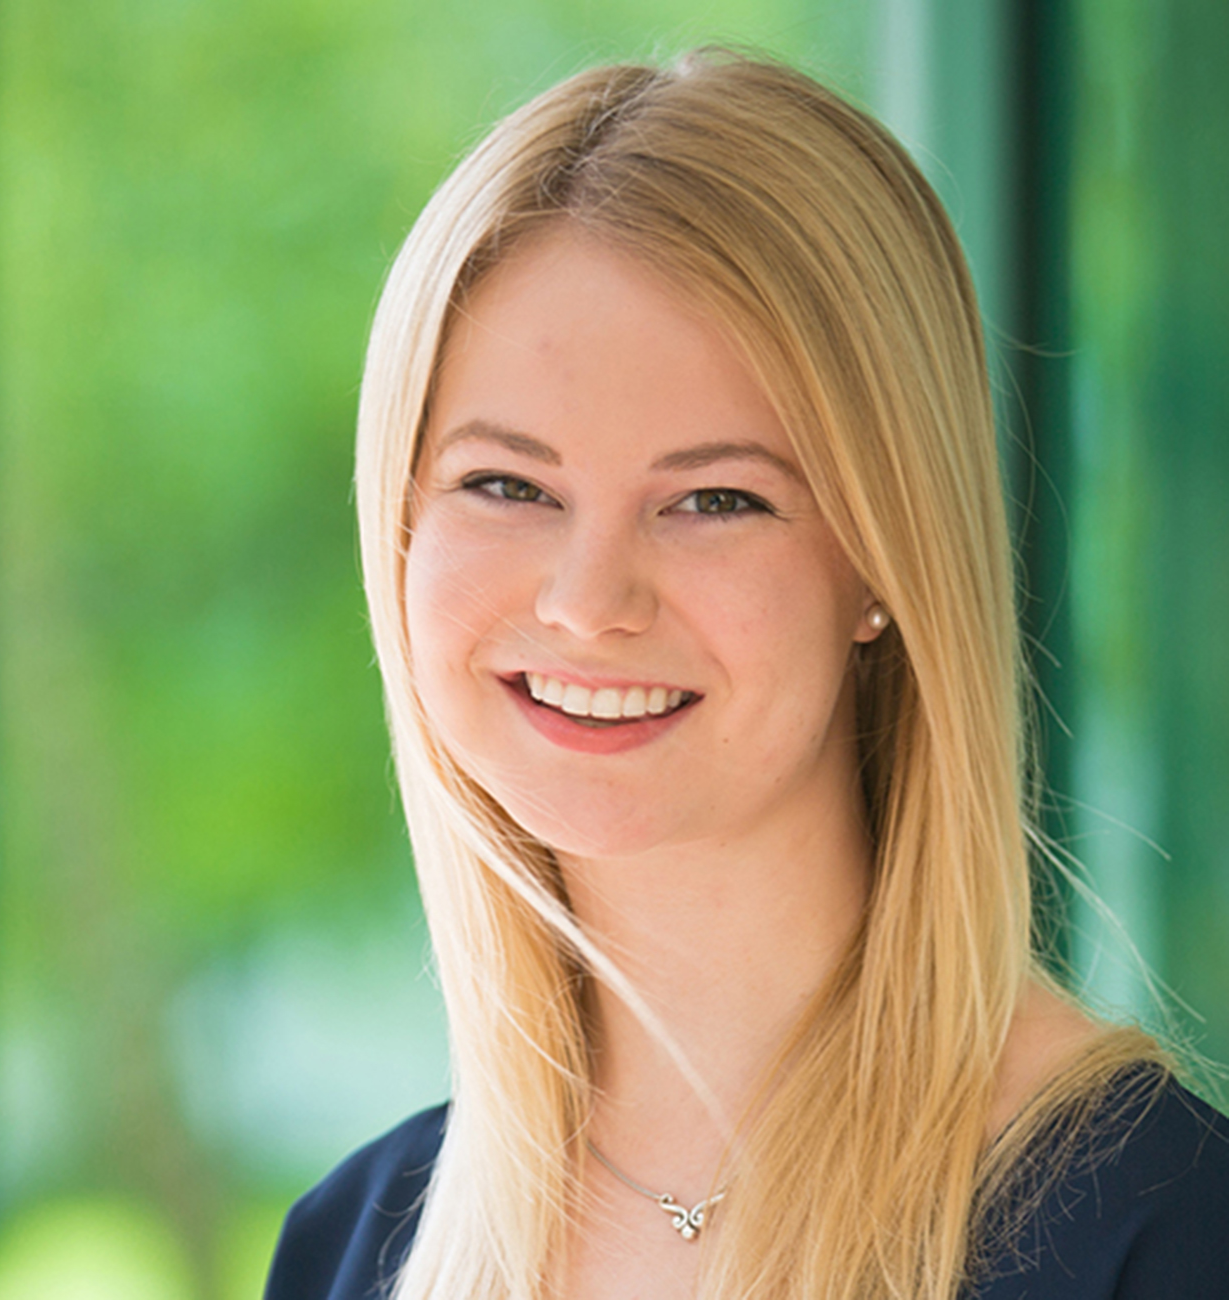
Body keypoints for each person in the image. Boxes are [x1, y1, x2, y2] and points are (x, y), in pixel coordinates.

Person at [263, 49, 1229, 1300]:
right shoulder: (349, 1247)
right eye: (506, 484)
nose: (586, 603)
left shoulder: (1161, 1230)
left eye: (715, 498)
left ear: (886, 553)